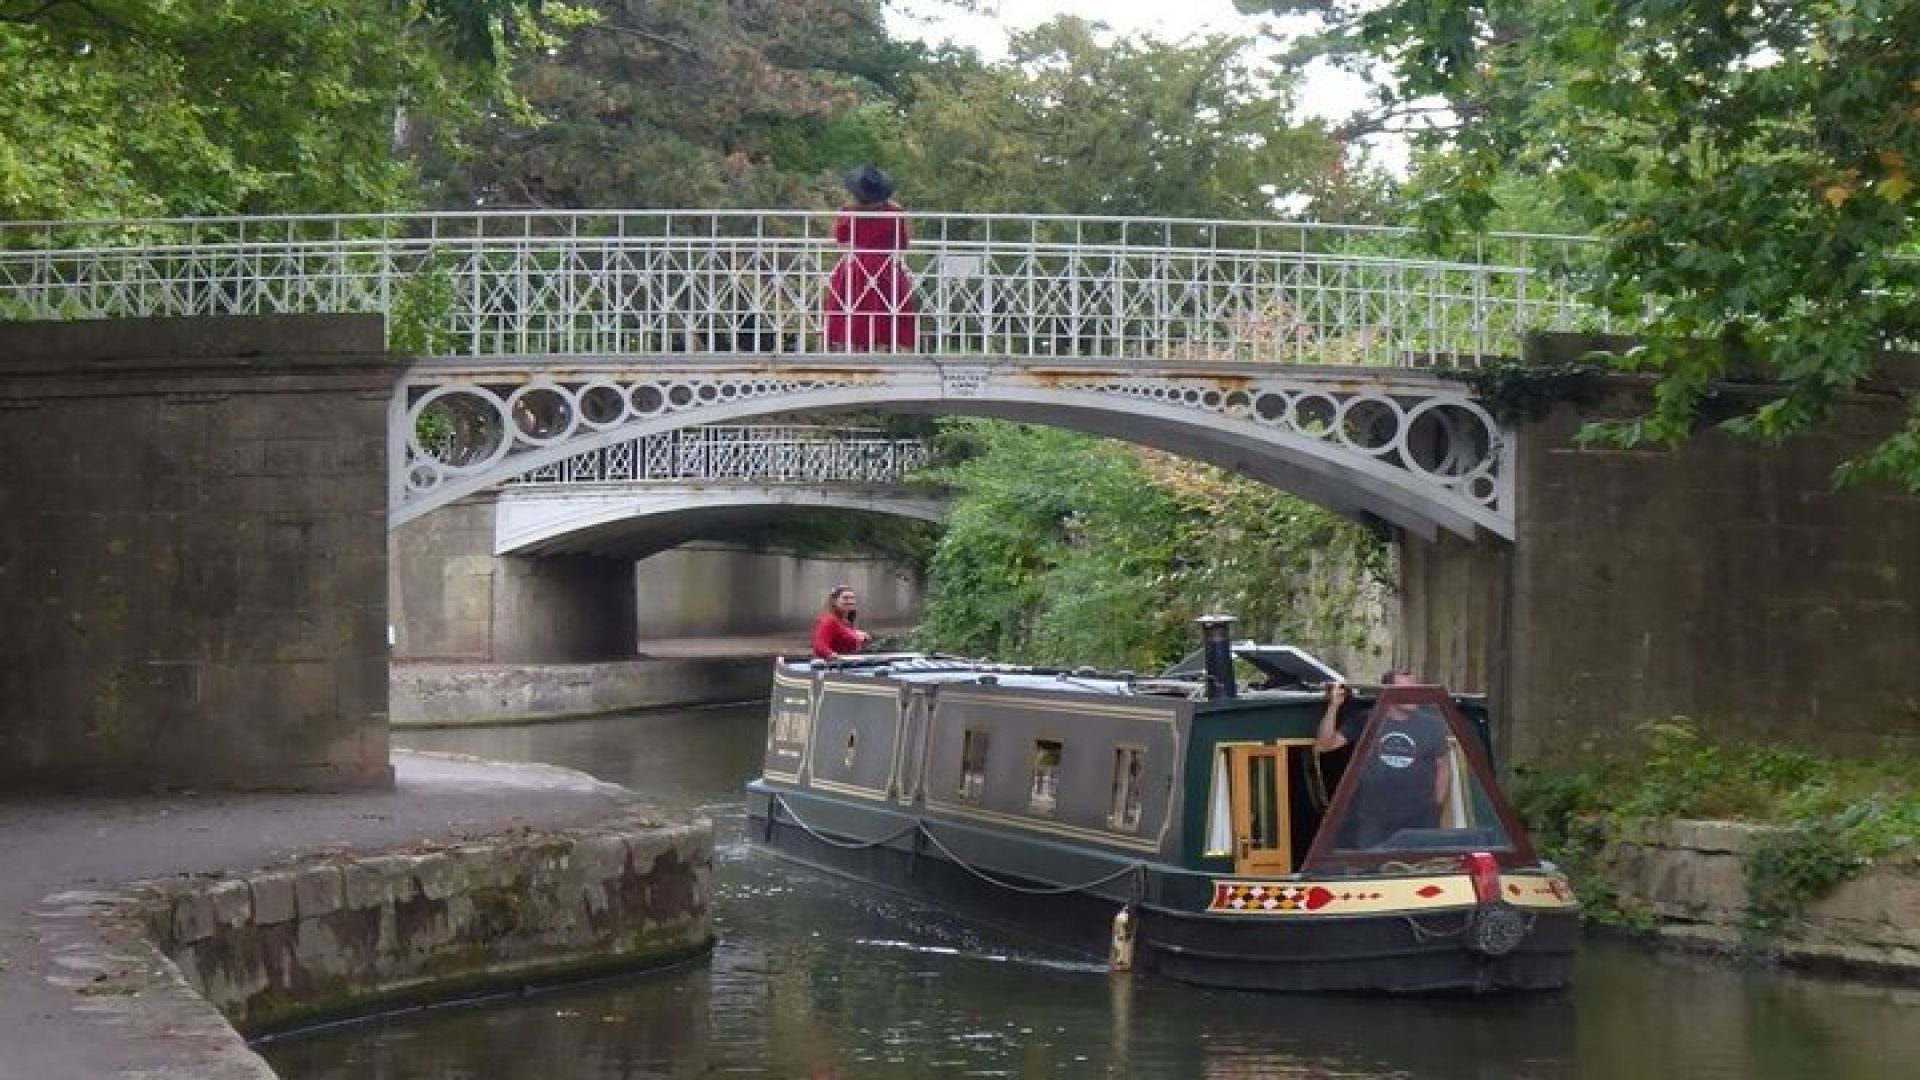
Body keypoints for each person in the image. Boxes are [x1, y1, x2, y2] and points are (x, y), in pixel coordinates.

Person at [1315, 670, 1454, 849]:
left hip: (1419, 818)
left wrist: (1435, 807)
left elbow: (1443, 766)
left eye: (1415, 689)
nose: (1413, 695)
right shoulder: (1367, 720)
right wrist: (1334, 706)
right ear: (1387, 692)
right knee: (1371, 868)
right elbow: (1325, 745)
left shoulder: (1432, 725)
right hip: (1374, 817)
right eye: (1406, 690)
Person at [824, 165, 917, 351]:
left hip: (855, 264)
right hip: (884, 265)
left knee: (851, 305)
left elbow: (840, 239)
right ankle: (883, 345)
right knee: (885, 307)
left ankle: (852, 346)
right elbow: (902, 243)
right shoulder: (894, 212)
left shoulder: (848, 211)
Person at [811, 585, 871, 660]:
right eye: (845, 598)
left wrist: (857, 635)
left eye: (852, 598)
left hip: (850, 666)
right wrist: (835, 657)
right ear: (834, 601)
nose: (850, 601)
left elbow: (840, 634)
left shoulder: (845, 622)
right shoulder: (828, 620)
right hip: (835, 668)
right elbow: (819, 646)